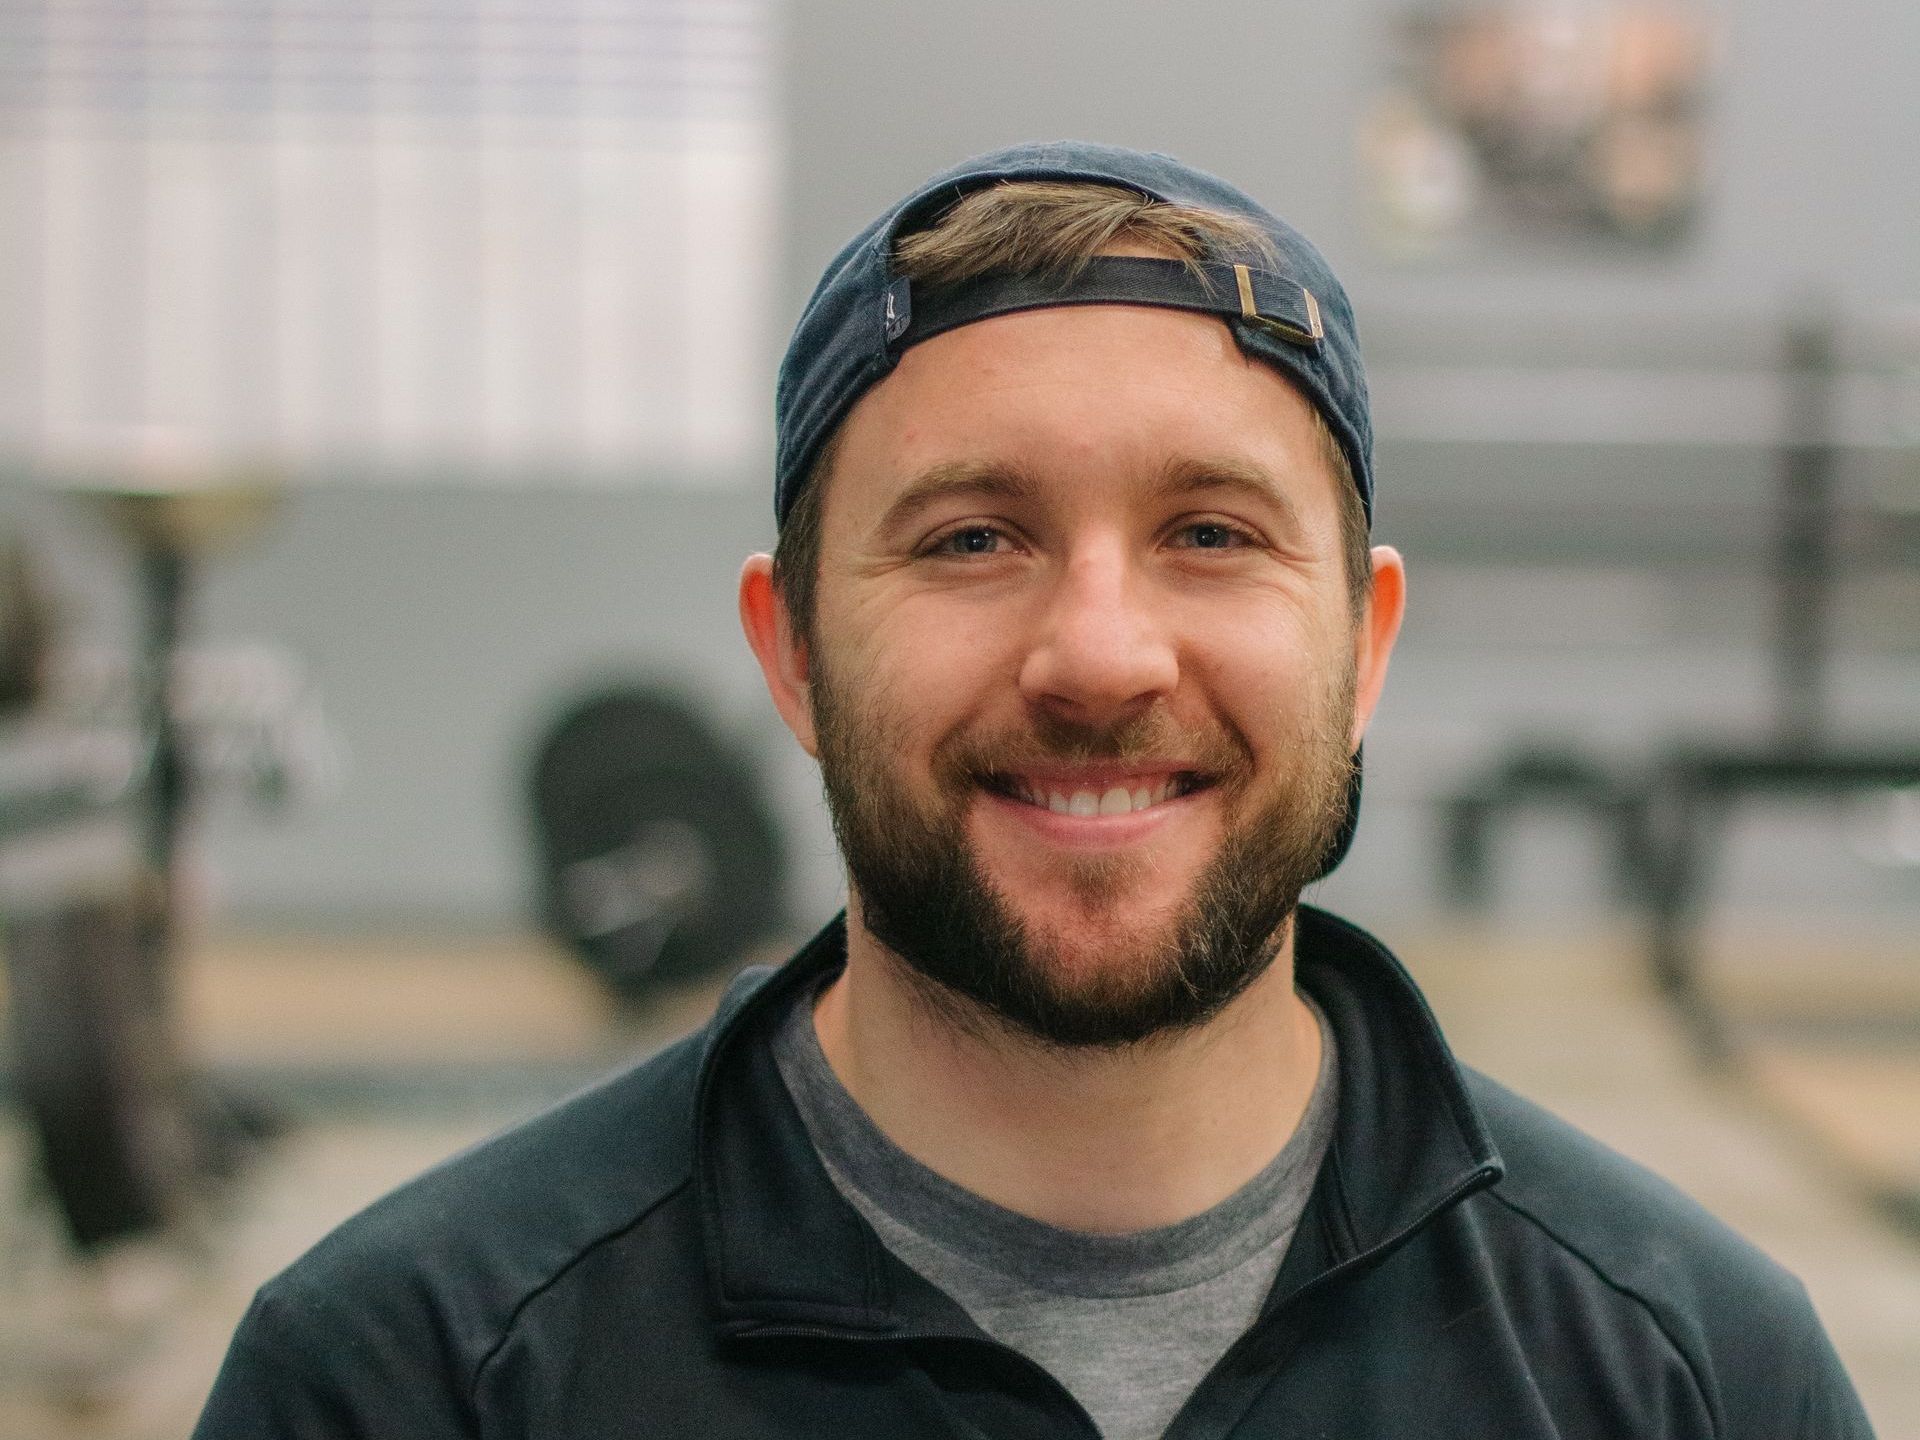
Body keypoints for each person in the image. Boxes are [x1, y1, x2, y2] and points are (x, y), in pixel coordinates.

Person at [193, 141, 1874, 1439]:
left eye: (1209, 534)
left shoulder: (1691, 1377)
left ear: (1363, 648)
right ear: (791, 655)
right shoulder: (415, 1376)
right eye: (971, 539)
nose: (1098, 655)